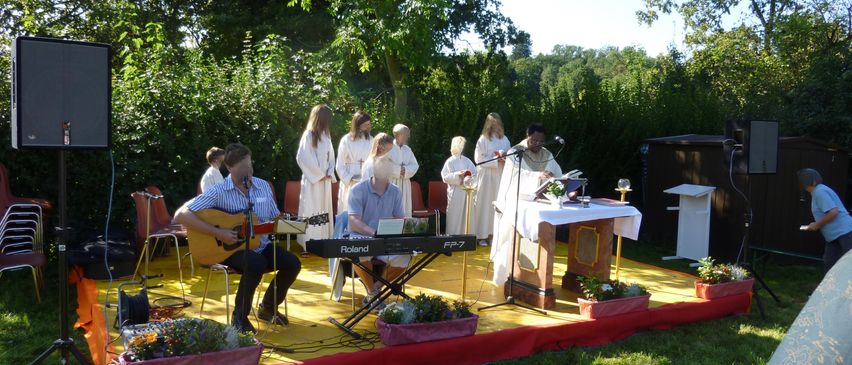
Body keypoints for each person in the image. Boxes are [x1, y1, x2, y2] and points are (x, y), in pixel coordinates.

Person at [174, 143, 301, 333]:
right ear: (230, 168)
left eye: (249, 164)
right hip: (229, 248)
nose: (248, 170)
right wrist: (218, 232)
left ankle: (267, 307)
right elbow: (180, 215)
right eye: (242, 166)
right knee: (256, 263)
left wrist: (291, 223)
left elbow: (275, 219)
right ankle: (239, 318)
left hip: (259, 244)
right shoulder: (219, 191)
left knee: (292, 263)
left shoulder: (263, 186)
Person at [490, 123, 563, 285]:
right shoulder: (515, 152)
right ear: (527, 137)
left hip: (539, 205)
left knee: (535, 241)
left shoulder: (548, 154)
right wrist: (538, 176)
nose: (537, 144)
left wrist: (566, 187)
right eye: (534, 140)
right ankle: (506, 277)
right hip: (516, 204)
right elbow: (514, 175)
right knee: (509, 241)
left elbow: (558, 175)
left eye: (541, 141)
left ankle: (531, 277)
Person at [347, 155, 410, 307]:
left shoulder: (395, 192)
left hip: (385, 239)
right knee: (360, 252)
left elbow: (400, 219)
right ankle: (372, 292)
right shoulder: (357, 190)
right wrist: (373, 233)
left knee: (405, 256)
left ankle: (376, 290)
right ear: (374, 171)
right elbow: (353, 221)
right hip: (361, 236)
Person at [296, 104, 336, 257]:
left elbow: (330, 157)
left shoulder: (326, 136)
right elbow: (303, 157)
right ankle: (308, 243)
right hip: (313, 181)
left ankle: (322, 241)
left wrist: (329, 171)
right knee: (310, 210)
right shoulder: (308, 135)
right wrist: (319, 174)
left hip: (324, 181)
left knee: (323, 210)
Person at [798, 168, 852, 272]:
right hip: (834, 236)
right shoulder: (818, 191)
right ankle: (833, 287)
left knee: (847, 265)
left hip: (845, 233)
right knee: (831, 266)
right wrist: (815, 224)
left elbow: (833, 211)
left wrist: (817, 225)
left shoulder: (819, 191)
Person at [473, 113, 511, 246]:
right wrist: (495, 159)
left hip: (500, 175)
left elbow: (511, 156)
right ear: (488, 124)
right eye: (492, 123)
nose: (495, 125)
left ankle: (494, 234)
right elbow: (478, 159)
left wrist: (504, 158)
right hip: (486, 176)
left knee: (498, 204)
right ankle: (481, 235)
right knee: (484, 205)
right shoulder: (483, 139)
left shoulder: (504, 139)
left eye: (497, 122)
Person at [336, 111, 372, 213]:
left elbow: (374, 161)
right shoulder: (346, 140)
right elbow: (340, 164)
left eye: (369, 124)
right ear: (358, 125)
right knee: (348, 210)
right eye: (366, 125)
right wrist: (349, 178)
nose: (368, 127)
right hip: (350, 181)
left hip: (366, 180)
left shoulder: (371, 140)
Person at [441, 136, 477, 236]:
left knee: (468, 215)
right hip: (456, 192)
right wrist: (458, 175)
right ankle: (453, 237)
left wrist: (467, 178)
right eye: (460, 144)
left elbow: (475, 174)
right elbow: (445, 176)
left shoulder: (467, 161)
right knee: (455, 216)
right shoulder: (450, 161)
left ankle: (467, 236)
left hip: (467, 192)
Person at [389, 124, 419, 217]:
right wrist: (398, 170)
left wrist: (405, 170)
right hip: (392, 182)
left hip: (405, 183)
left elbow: (415, 165)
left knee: (404, 208)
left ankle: (405, 230)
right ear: (399, 135)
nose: (408, 137)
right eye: (406, 134)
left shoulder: (408, 149)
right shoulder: (389, 148)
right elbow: (384, 164)